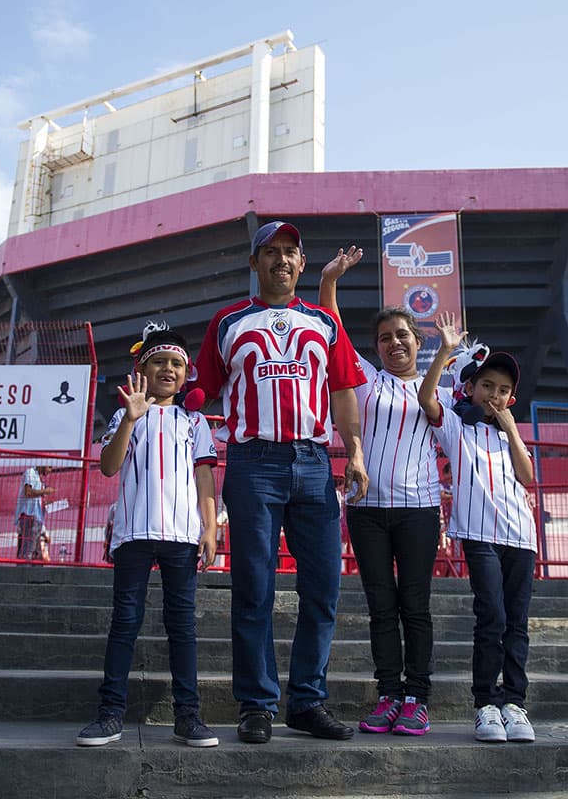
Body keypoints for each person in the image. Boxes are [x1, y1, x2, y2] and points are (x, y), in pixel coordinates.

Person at [191, 220, 369, 744]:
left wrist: (354, 451)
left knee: (324, 589)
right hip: (253, 464)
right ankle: (257, 704)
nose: (282, 261)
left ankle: (308, 702)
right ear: (255, 263)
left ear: (301, 263)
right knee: (254, 588)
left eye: (291, 252)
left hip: (314, 464)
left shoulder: (323, 322)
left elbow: (342, 391)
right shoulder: (228, 322)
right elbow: (202, 390)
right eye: (271, 252)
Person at [318, 257, 452, 736]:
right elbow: (331, 328)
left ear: (419, 341)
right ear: (376, 348)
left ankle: (418, 698)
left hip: (418, 512)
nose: (394, 343)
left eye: (402, 335)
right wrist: (329, 281)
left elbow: (437, 415)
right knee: (381, 606)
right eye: (385, 337)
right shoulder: (366, 379)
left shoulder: (441, 391)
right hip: (366, 511)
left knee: (414, 605)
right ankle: (389, 696)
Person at [76, 323, 220, 748]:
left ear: (187, 372)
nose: (168, 369)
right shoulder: (125, 414)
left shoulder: (194, 421)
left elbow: (205, 478)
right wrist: (130, 420)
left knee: (182, 627)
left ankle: (188, 716)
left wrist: (210, 528)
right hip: (134, 534)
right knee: (125, 623)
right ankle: (109, 715)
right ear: (141, 367)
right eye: (159, 361)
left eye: (177, 363)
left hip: (181, 535)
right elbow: (108, 466)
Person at [419, 312, 537, 744]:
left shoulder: (507, 431)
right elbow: (427, 399)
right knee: (492, 617)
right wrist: (446, 351)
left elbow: (526, 476)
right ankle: (486, 703)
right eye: (487, 386)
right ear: (469, 387)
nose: (495, 395)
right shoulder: (455, 425)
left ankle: (515, 704)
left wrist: (511, 430)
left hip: (521, 537)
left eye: (504, 390)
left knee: (517, 622)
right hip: (480, 535)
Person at [15, 465, 53, 561]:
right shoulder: (30, 473)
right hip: (29, 517)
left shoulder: (38, 478)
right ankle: (23, 572)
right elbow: (28, 492)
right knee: (27, 552)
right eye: (49, 467)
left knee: (36, 554)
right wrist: (44, 491)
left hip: (36, 519)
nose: (50, 471)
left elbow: (36, 499)